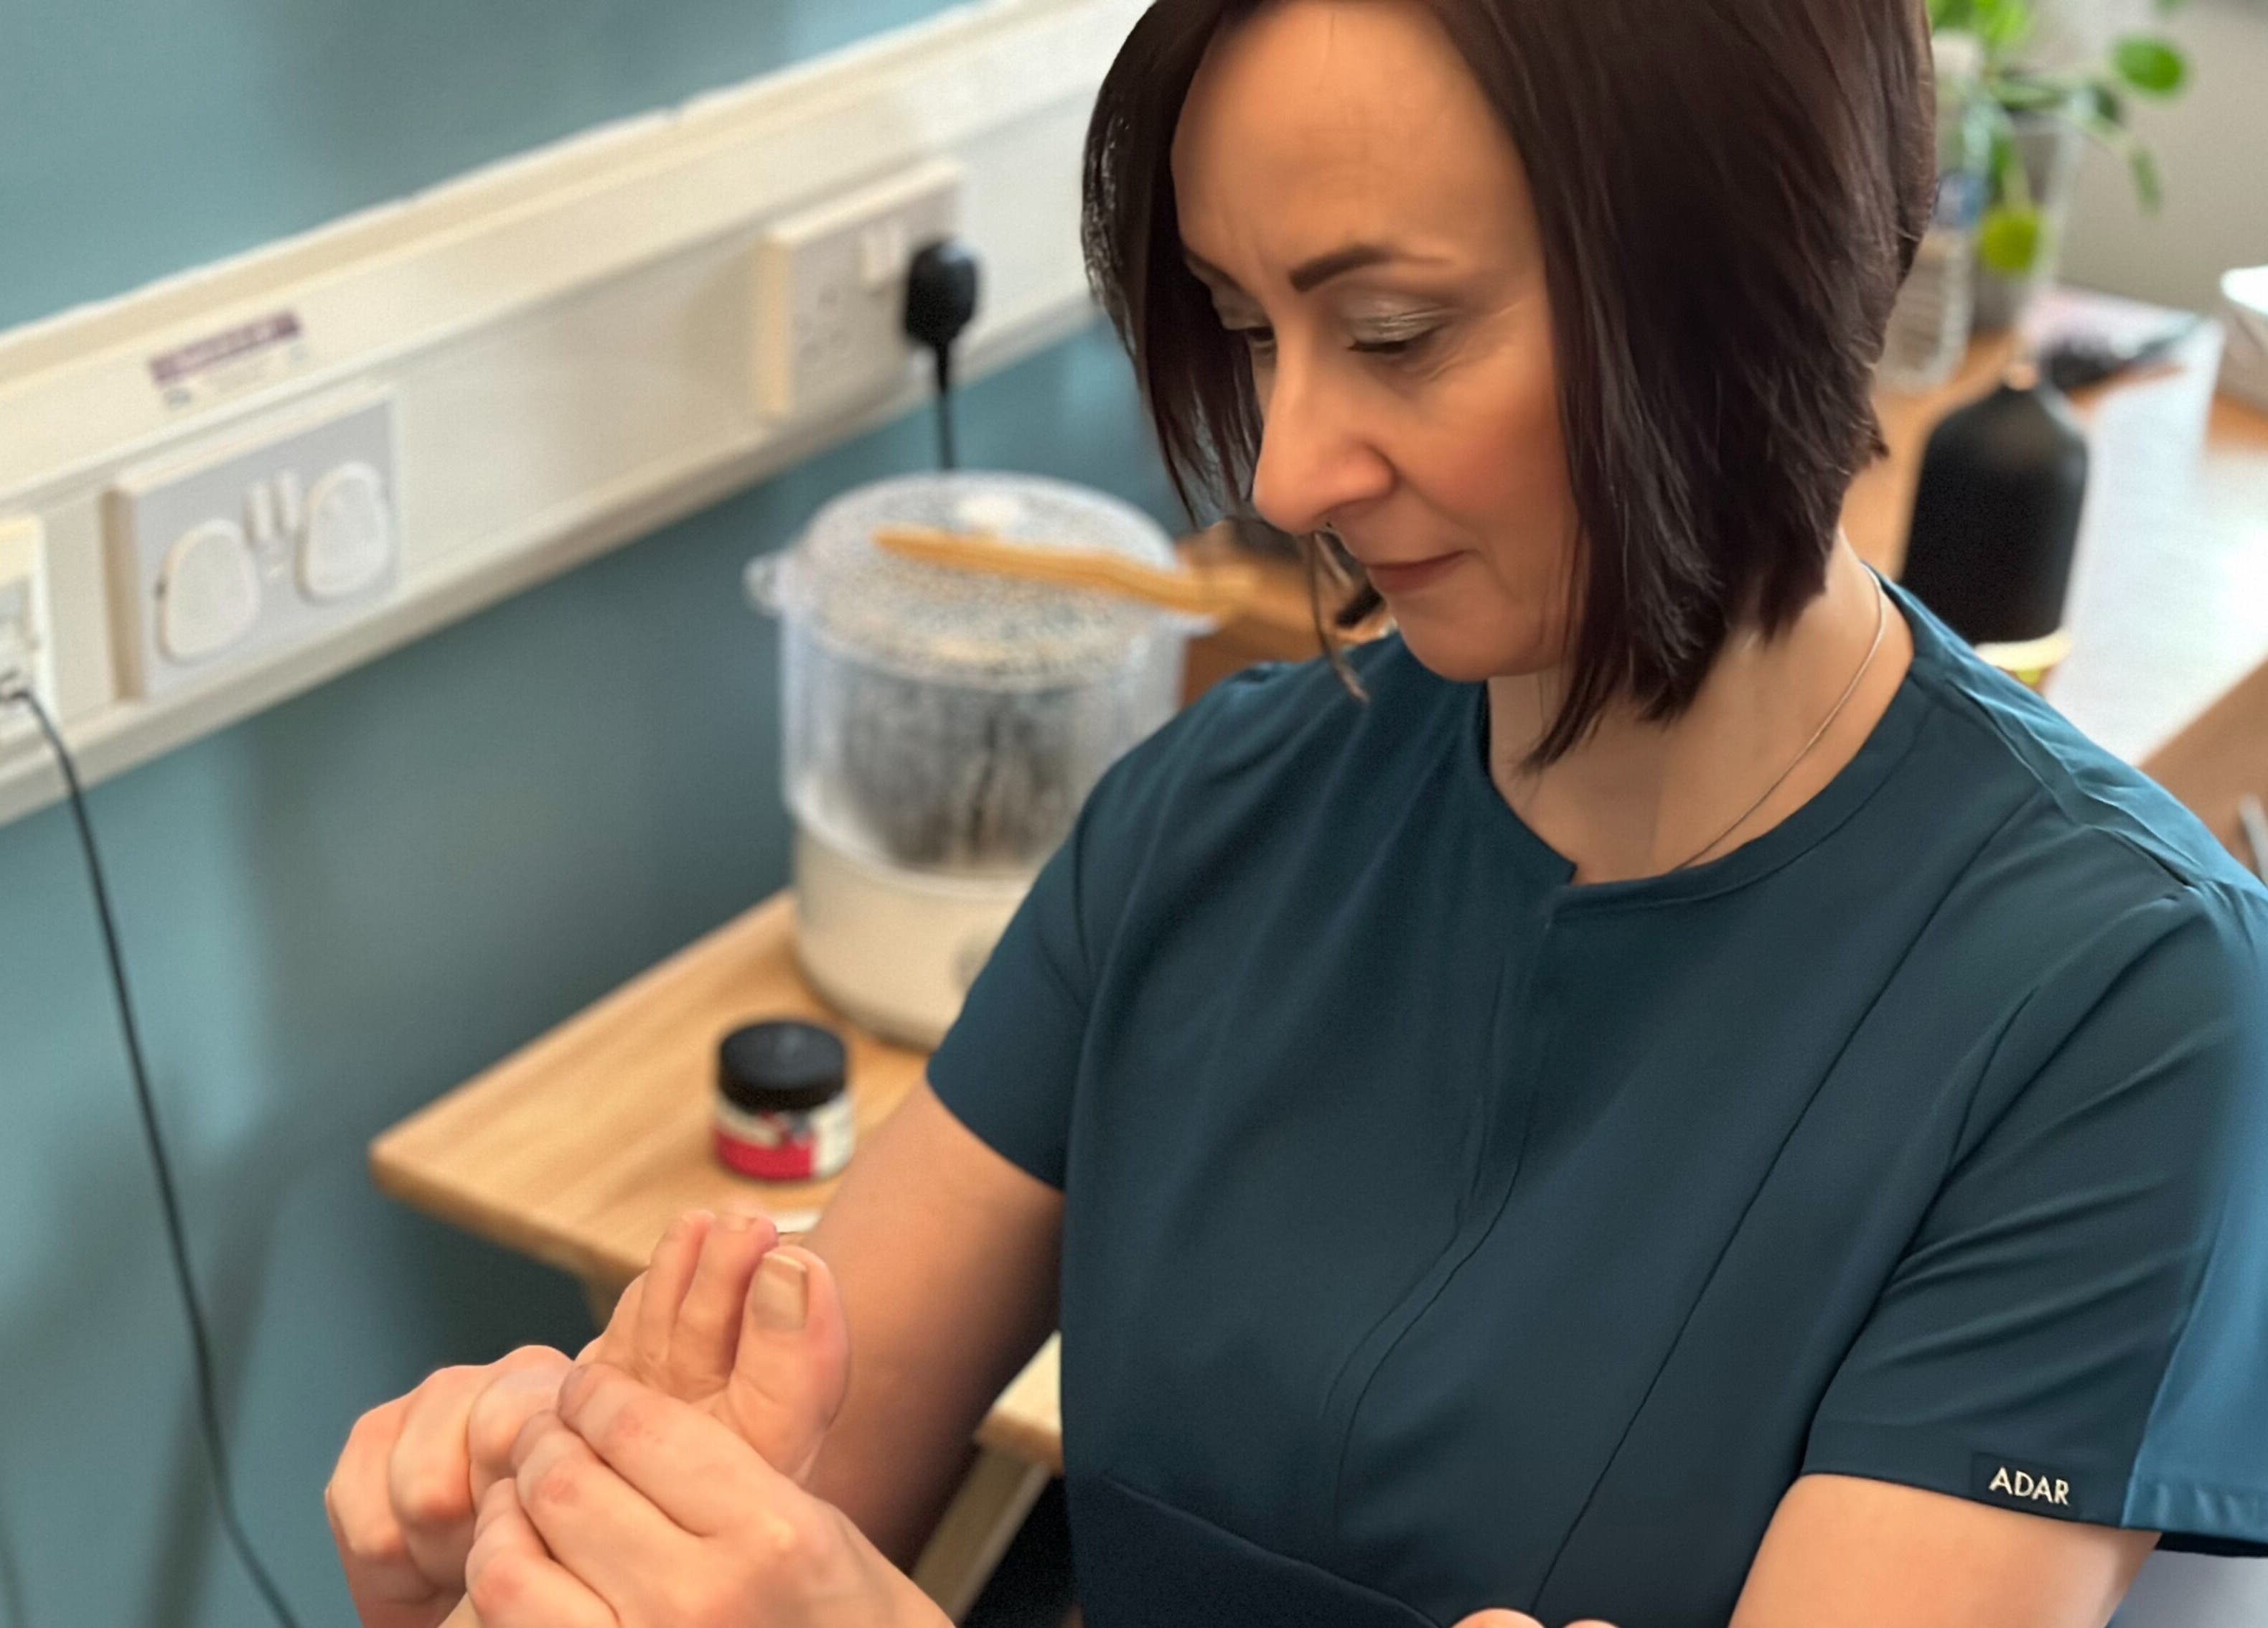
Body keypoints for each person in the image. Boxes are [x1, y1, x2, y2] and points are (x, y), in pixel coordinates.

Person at [327, 0, 2268, 1622]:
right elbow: (770, 1480)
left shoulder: (2115, 1005)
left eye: (1398, 332)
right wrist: (554, 1549)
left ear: (1743, 278)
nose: (1287, 465)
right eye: (1251, 328)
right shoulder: (1223, 809)